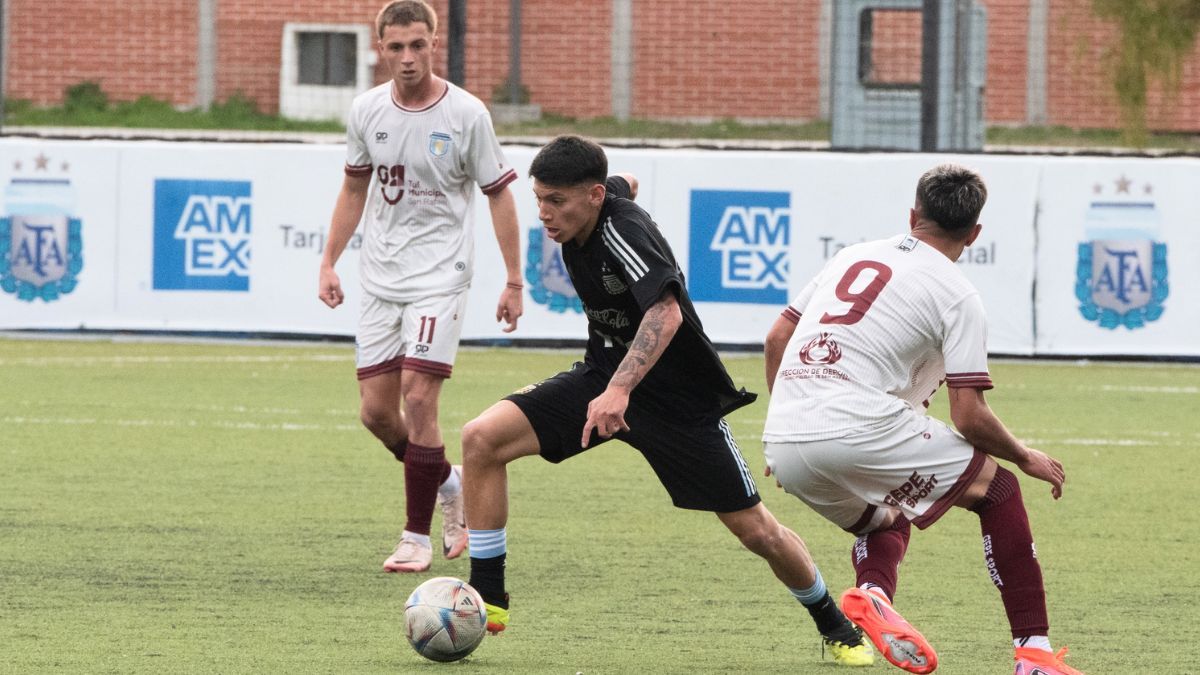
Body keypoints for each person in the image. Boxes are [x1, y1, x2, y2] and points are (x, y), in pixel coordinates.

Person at [459, 135, 874, 667]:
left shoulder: (623, 231)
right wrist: (609, 384)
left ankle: (834, 625)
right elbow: (625, 181)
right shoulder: (596, 199)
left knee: (756, 530)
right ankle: (488, 596)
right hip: (603, 376)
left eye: (555, 201)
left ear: (589, 197)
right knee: (480, 439)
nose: (543, 213)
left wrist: (620, 391)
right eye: (538, 198)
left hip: (677, 403)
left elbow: (666, 314)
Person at [761, 164, 1083, 674]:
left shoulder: (852, 254)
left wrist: (791, 426)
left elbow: (777, 338)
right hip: (860, 422)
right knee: (997, 491)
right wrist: (1025, 457)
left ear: (913, 215)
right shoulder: (958, 294)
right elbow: (970, 416)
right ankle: (1035, 655)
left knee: (887, 518)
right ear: (975, 235)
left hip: (785, 439)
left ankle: (873, 594)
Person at [317, 0, 524, 574]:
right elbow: (355, 190)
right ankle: (450, 483)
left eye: (418, 46)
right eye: (396, 47)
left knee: (417, 396)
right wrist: (329, 261)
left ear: (434, 44)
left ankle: (416, 537)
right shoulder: (366, 111)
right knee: (377, 414)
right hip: (380, 279)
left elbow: (499, 194)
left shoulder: (467, 115)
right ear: (380, 48)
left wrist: (513, 278)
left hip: (441, 277)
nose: (407, 58)